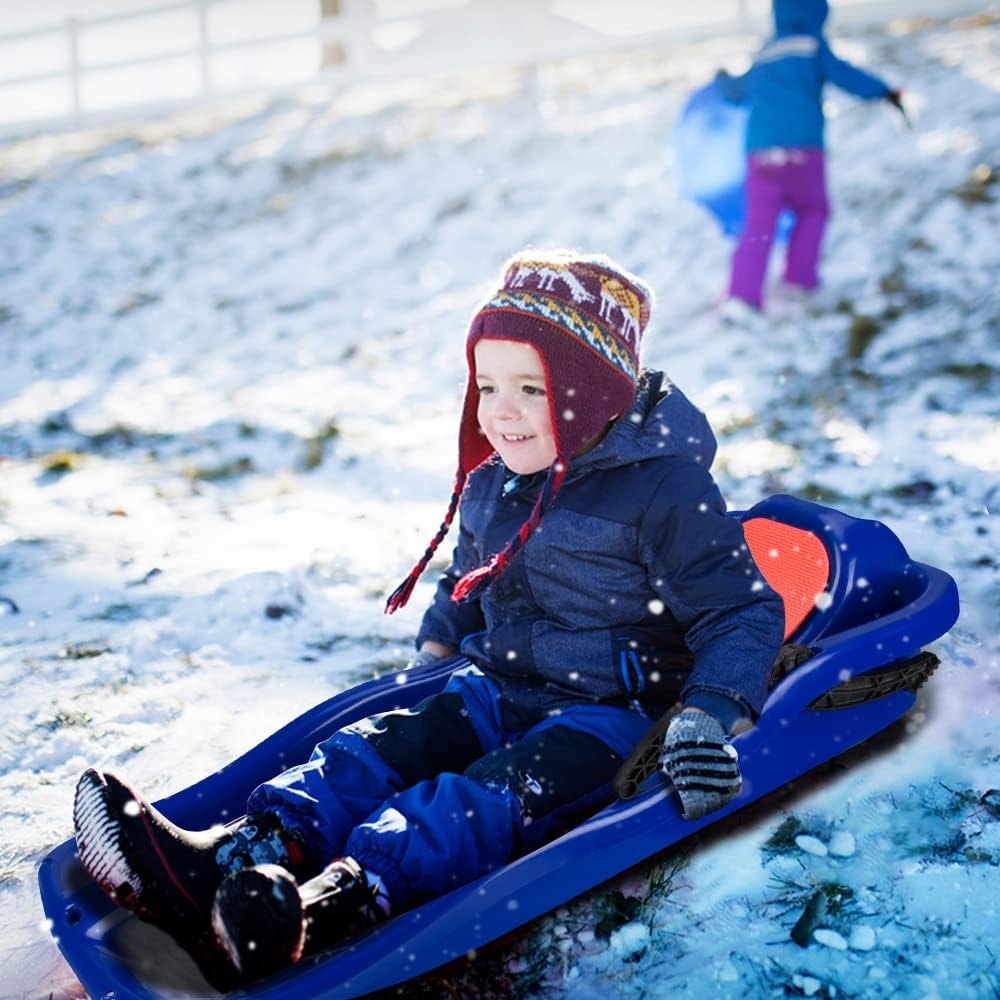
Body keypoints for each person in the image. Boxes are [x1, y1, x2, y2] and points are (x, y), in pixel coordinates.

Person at [72, 250, 785, 986]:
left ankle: (323, 908)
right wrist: (443, 634)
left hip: (609, 713)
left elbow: (741, 612)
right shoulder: (497, 475)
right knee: (381, 749)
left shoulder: (666, 492)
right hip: (500, 684)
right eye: (487, 386)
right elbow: (472, 573)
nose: (500, 411)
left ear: (593, 393)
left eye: (531, 389)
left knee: (478, 799)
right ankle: (232, 858)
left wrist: (707, 712)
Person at [715, 0, 903, 317]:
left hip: (760, 154)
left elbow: (737, 92)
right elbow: (847, 76)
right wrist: (884, 92)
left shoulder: (765, 53)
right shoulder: (812, 45)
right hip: (803, 152)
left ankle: (742, 297)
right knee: (812, 210)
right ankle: (799, 282)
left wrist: (722, 78)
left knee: (759, 225)